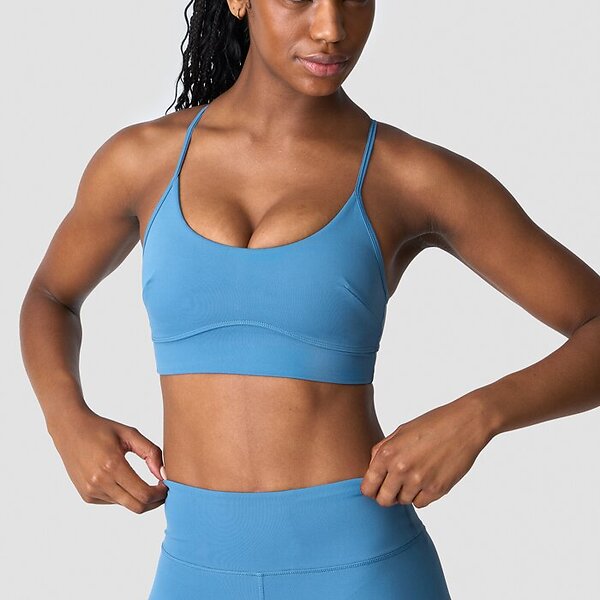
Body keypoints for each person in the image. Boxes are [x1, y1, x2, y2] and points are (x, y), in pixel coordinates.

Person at [19, 1, 600, 599]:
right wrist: (66, 419)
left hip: (365, 570)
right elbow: (50, 295)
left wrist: (479, 416)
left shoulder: (409, 175)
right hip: (194, 570)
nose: (331, 29)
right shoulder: (141, 160)